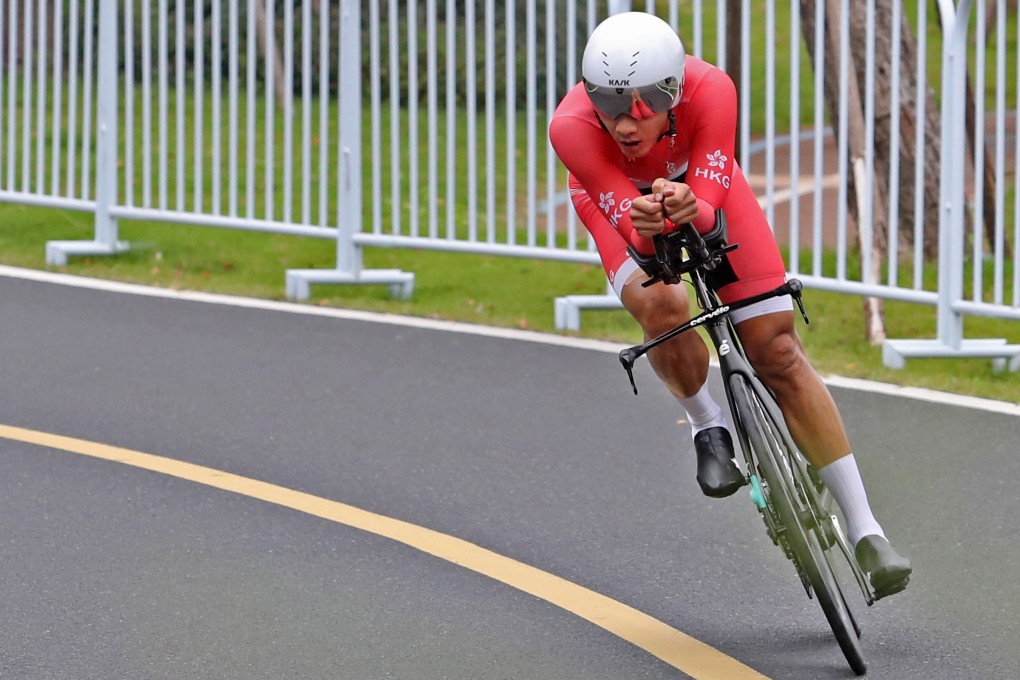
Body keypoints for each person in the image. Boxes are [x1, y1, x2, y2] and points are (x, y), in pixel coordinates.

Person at [548, 11, 911, 599]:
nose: (624, 120)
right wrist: (648, 225)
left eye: (641, 101)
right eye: (609, 101)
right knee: (662, 303)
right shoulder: (572, 128)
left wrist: (694, 206)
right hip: (615, 195)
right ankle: (707, 424)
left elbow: (712, 208)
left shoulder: (711, 88)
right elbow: (640, 239)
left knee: (779, 351)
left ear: (672, 90)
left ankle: (868, 531)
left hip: (703, 186)